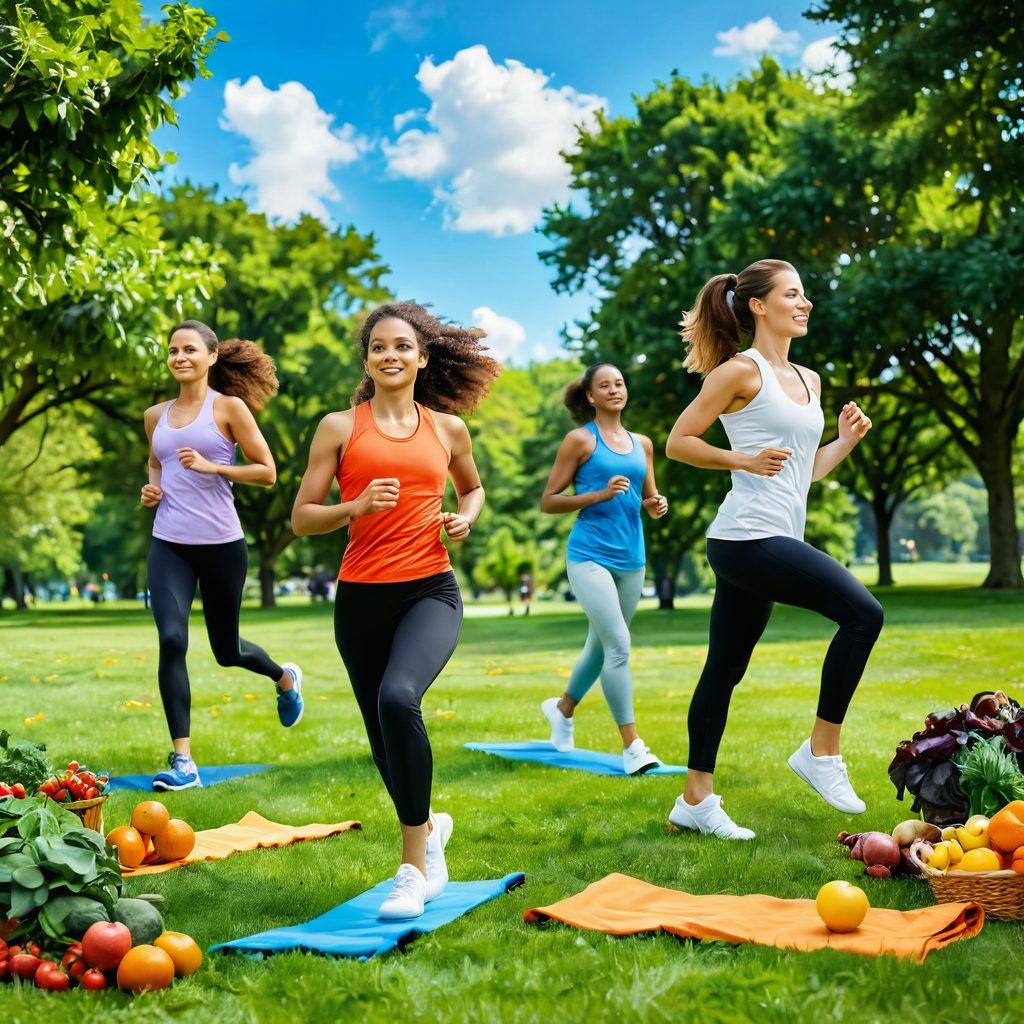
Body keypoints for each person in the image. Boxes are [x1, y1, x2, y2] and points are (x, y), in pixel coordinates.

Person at [292, 301, 500, 920]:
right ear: (366, 359)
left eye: (403, 346)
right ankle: (429, 827)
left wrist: (464, 518)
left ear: (423, 357)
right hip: (360, 598)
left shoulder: (447, 429)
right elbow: (303, 518)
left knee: (397, 698)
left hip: (429, 591)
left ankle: (414, 868)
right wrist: (353, 509)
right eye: (379, 346)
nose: (391, 355)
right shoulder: (337, 427)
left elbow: (473, 487)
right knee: (385, 738)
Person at [664, 259, 882, 840]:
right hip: (745, 536)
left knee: (724, 670)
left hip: (775, 534)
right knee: (864, 614)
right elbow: (678, 441)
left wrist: (843, 441)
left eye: (805, 295)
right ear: (759, 306)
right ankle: (822, 753)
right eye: (792, 294)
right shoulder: (739, 372)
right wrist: (739, 459)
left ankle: (694, 800)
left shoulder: (809, 381)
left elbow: (803, 474)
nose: (804, 303)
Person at [141, 320, 303, 792]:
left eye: (189, 349)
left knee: (226, 651)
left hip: (221, 546)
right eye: (173, 350)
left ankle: (284, 677)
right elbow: (156, 461)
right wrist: (152, 487)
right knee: (172, 640)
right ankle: (183, 761)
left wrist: (215, 466)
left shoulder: (228, 408)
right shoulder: (155, 415)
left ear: (211, 357)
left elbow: (268, 472)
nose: (179, 357)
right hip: (169, 543)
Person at [539, 364, 669, 775]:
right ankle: (633, 747)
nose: (614, 390)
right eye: (604, 386)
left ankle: (562, 710)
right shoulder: (580, 441)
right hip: (589, 556)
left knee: (600, 647)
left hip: (632, 559)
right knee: (619, 645)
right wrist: (597, 494)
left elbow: (648, 497)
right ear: (590, 397)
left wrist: (656, 504)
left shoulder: (642, 444)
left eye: (619, 383)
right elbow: (549, 501)